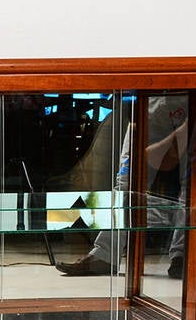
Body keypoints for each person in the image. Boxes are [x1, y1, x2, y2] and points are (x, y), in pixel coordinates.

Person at [56, 94, 188, 278]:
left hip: (194, 92)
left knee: (195, 183)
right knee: (127, 180)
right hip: (150, 94)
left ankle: (184, 255)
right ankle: (105, 254)